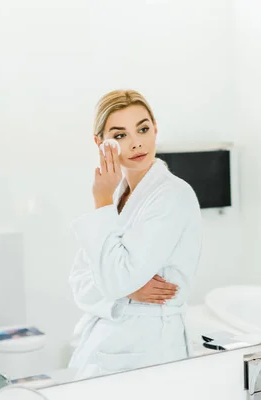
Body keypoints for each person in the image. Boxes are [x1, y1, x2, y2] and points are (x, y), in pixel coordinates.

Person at [68, 90, 202, 377]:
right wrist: (129, 289)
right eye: (120, 135)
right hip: (109, 342)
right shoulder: (117, 194)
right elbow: (79, 282)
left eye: (142, 128)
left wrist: (101, 202)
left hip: (150, 345)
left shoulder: (172, 195)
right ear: (100, 143)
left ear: (155, 127)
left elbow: (114, 279)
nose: (136, 142)